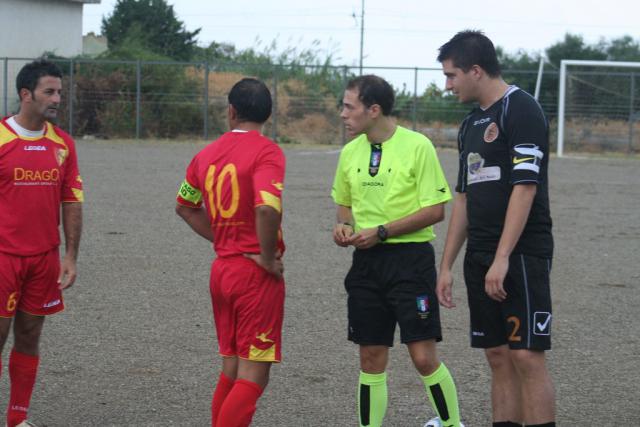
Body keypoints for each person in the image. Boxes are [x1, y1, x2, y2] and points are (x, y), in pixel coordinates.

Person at [436, 31, 556, 427]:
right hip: (480, 254)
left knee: (526, 356)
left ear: (476, 70)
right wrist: (446, 266)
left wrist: (503, 258)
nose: (447, 85)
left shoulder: (521, 108)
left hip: (520, 253)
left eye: (451, 75)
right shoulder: (470, 124)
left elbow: (525, 187)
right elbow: (464, 198)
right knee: (498, 356)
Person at [331, 74, 463, 427]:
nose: (343, 114)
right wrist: (343, 226)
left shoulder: (418, 146)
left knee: (423, 357)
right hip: (366, 264)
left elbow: (435, 211)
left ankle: (452, 424)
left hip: (411, 263)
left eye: (349, 107)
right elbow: (344, 206)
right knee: (371, 358)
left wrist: (383, 232)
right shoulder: (349, 152)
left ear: (373, 110)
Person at [175, 77, 285, 427]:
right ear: (268, 114)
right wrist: (265, 256)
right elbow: (266, 207)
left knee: (233, 368)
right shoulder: (267, 151)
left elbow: (184, 206)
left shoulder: (204, 155)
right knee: (254, 376)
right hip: (254, 276)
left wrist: (225, 237)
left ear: (231, 112)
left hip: (223, 270)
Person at [0, 59, 84, 427]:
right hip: (3, 257)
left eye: (59, 92)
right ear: (26, 94)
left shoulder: (63, 143)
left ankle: (17, 419)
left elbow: (72, 199)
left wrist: (71, 255)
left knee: (30, 335)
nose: (57, 99)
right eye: (49, 92)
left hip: (44, 259)